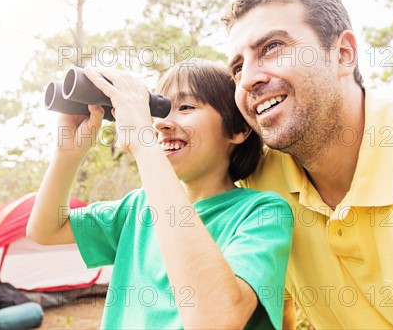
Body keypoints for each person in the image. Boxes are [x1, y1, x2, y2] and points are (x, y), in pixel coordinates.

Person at [222, 0, 393, 329]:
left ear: (343, 53)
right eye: (238, 68)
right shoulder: (258, 184)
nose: (248, 80)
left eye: (272, 47)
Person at [27, 59, 294, 329]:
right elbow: (45, 229)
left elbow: (216, 319)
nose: (162, 124)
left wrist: (143, 143)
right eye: (159, 110)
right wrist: (67, 154)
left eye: (186, 107)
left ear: (238, 129)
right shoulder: (138, 207)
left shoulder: (262, 214)